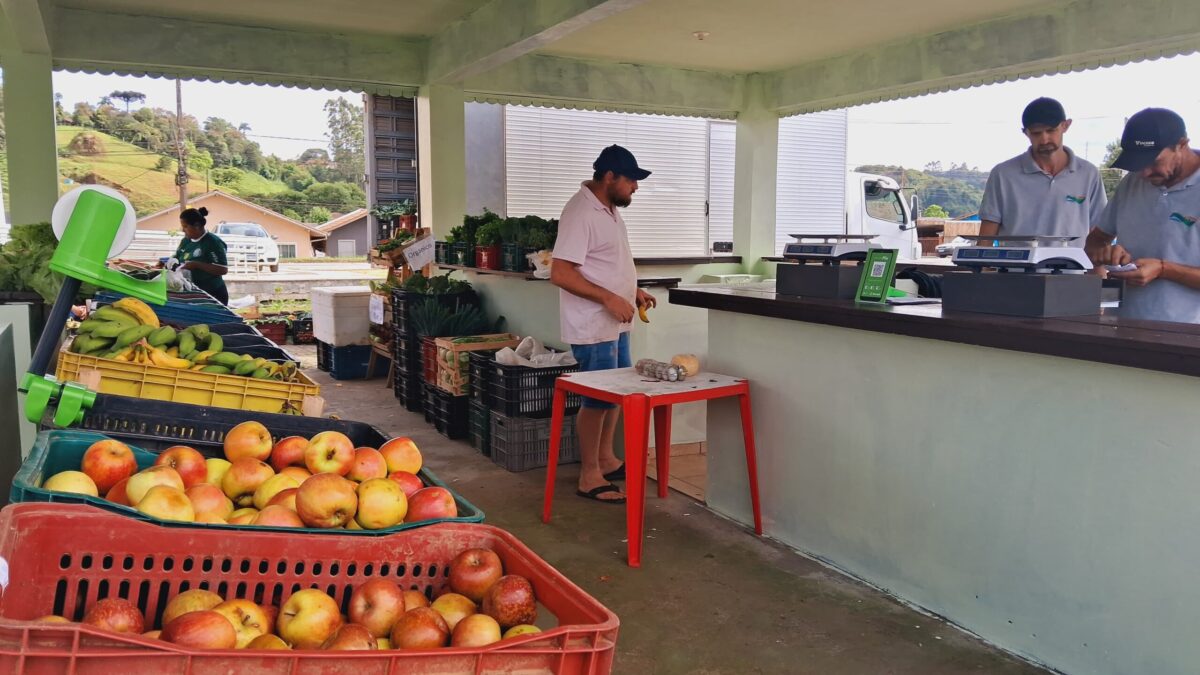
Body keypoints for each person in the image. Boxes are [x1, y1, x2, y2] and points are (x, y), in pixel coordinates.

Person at [550, 145, 657, 504]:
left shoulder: (608, 210)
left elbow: (605, 264)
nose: (635, 189)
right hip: (594, 325)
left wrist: (632, 291)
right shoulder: (581, 211)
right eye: (631, 180)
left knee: (616, 395)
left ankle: (607, 459)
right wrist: (609, 298)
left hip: (616, 321)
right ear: (609, 176)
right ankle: (589, 474)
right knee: (597, 400)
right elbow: (561, 273)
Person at [1085, 108, 1200, 324]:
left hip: (1189, 336)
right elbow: (1095, 240)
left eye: (1154, 161)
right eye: (1138, 164)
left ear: (1182, 144)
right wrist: (1105, 254)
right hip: (1121, 325)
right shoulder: (1131, 182)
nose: (1145, 173)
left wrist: (1164, 269)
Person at [978, 97, 1107, 244]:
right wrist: (982, 266)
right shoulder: (1003, 175)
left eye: (1051, 130)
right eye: (1036, 133)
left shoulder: (1088, 174)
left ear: (1066, 125)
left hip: (1073, 266)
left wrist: (1098, 266)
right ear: (1025, 132)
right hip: (1016, 266)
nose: (1045, 140)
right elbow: (986, 237)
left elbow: (1098, 233)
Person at [174, 207, 230, 305]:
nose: (183, 230)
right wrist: (167, 261)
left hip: (213, 293)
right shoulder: (186, 241)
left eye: (185, 226)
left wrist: (197, 265)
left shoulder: (213, 242)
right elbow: (178, 257)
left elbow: (222, 269)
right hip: (193, 292)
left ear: (197, 225)